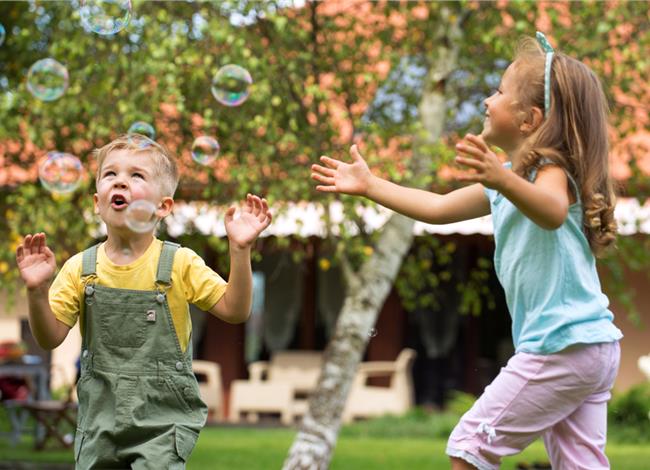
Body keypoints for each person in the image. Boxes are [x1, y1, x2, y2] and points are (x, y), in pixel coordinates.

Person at [311, 32, 622, 470]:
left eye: (498, 91)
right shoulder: (509, 182)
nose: (487, 99)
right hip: (588, 347)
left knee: (469, 447)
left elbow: (552, 212)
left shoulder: (551, 171)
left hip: (563, 343)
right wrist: (370, 186)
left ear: (529, 119)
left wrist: (503, 180)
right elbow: (437, 209)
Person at [16, 134, 272, 468]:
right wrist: (37, 291)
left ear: (163, 206)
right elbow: (49, 338)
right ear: (97, 201)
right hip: (99, 422)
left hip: (162, 423)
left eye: (136, 175)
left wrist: (239, 251)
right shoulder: (80, 268)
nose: (120, 181)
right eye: (111, 174)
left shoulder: (179, 263)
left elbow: (236, 312)